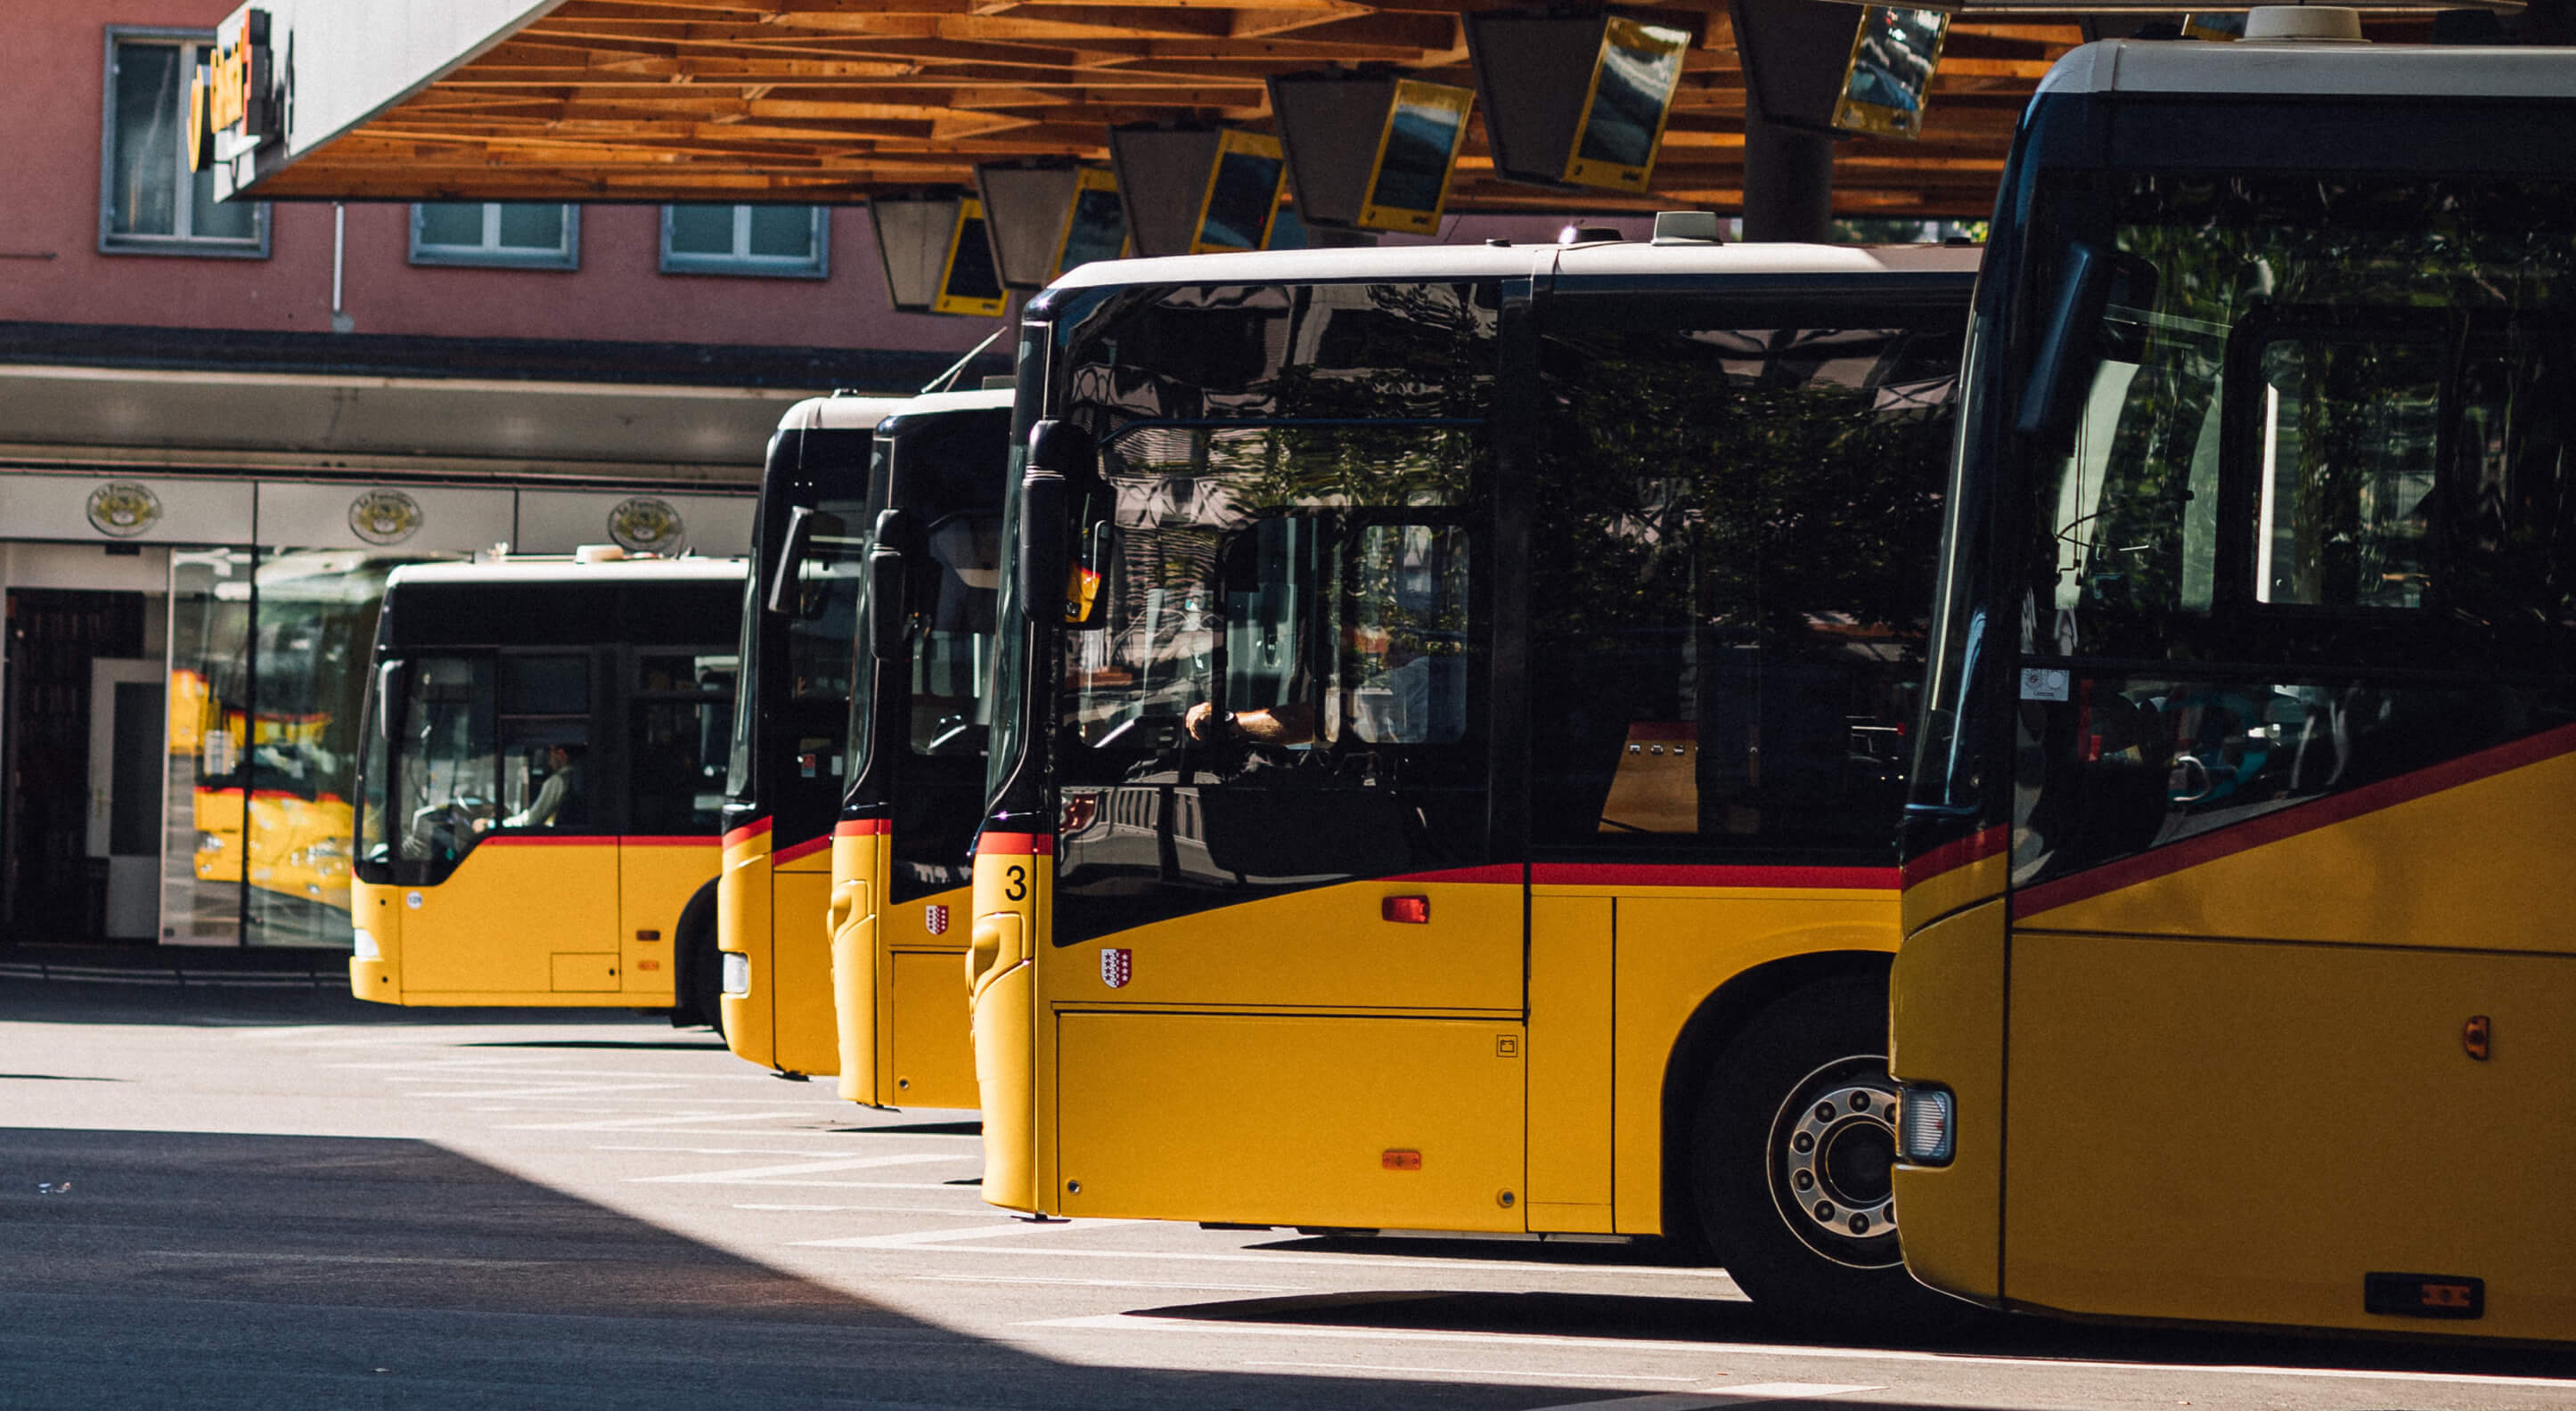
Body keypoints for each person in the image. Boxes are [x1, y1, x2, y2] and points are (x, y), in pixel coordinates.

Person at [505, 745, 581, 828]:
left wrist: (506, 822)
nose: (549, 762)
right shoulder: (580, 777)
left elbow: (533, 818)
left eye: (550, 756)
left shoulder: (558, 780)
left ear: (561, 755)